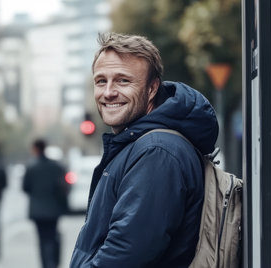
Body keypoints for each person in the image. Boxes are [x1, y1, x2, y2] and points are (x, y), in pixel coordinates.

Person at [69, 32, 219, 267]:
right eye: (101, 81)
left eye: (123, 81)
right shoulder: (142, 145)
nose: (108, 92)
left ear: (152, 89)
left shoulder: (157, 152)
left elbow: (125, 255)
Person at [23, 139, 70, 268]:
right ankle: (52, 263)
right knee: (52, 236)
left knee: (42, 239)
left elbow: (25, 187)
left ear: (36, 149)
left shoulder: (31, 167)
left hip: (37, 210)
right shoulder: (56, 166)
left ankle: (45, 264)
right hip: (53, 209)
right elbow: (63, 187)